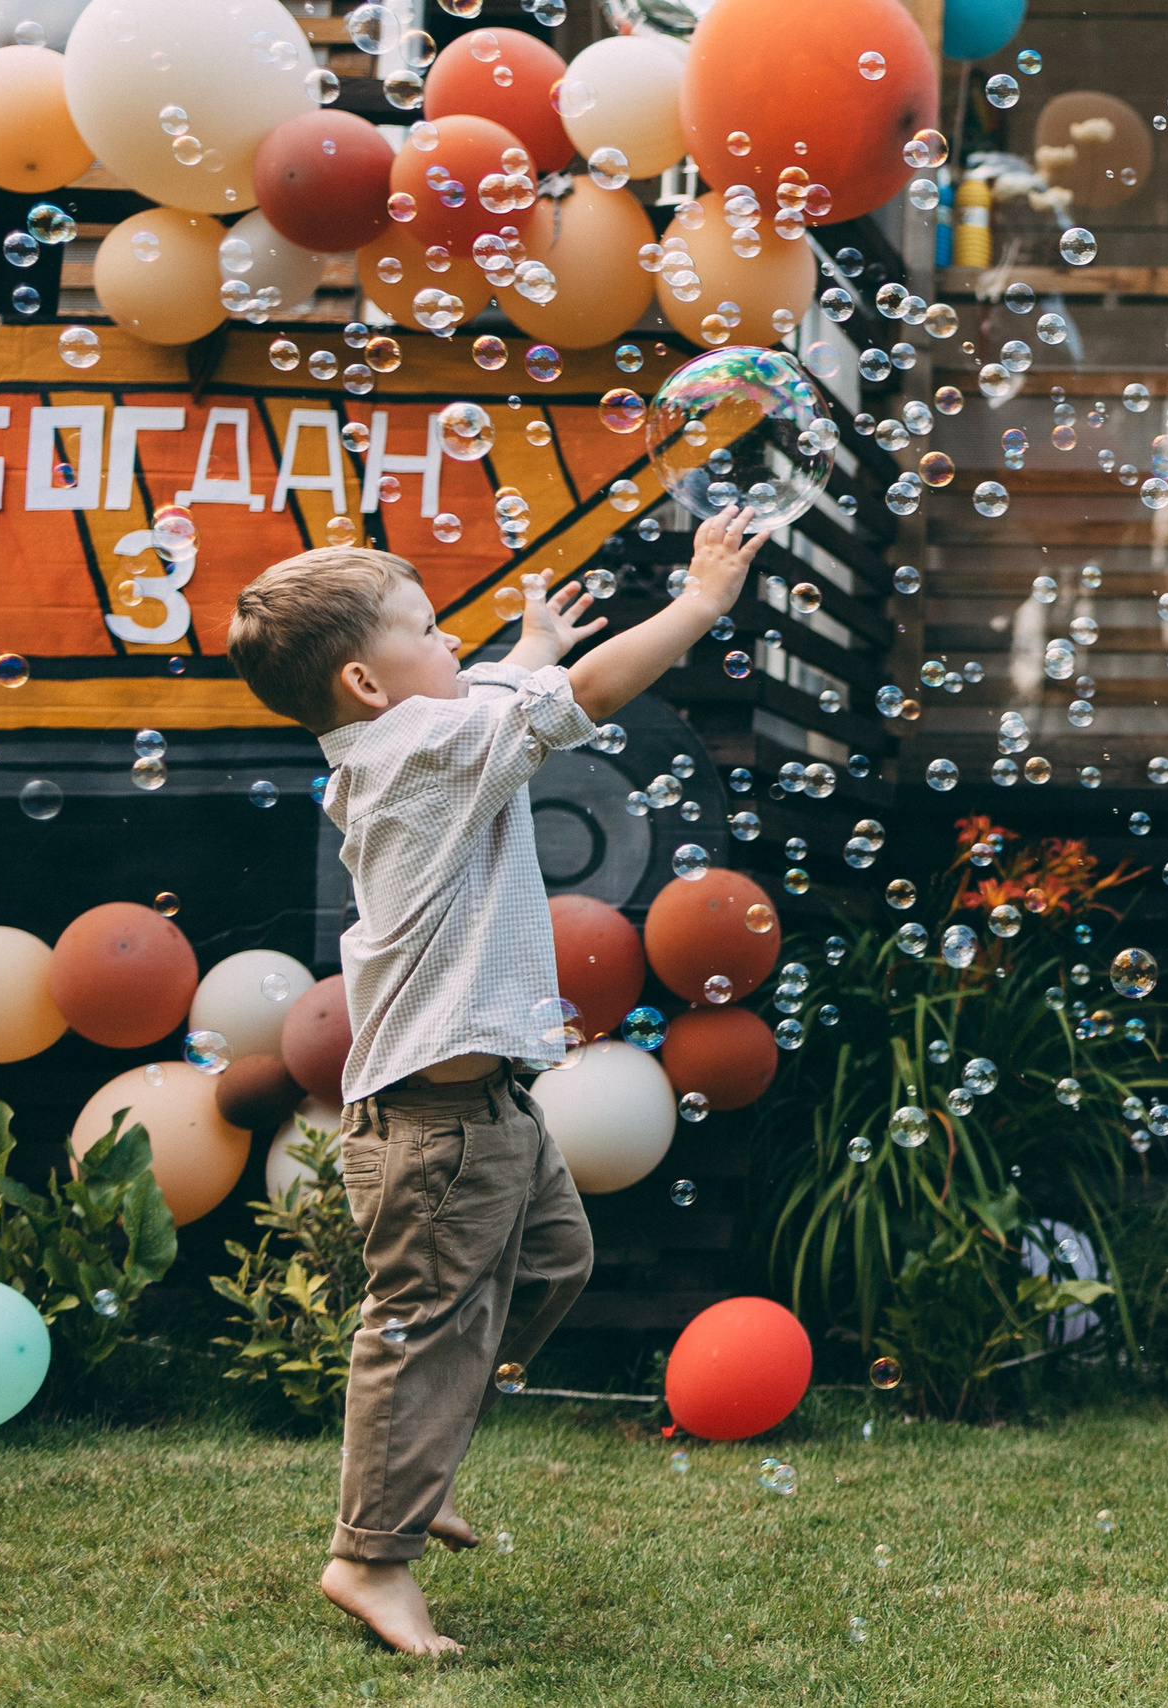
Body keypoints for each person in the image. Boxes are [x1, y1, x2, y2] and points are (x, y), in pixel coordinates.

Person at [225, 510, 765, 1655]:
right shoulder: (417, 752)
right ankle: (370, 1555)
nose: (453, 643)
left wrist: (522, 649)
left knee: (554, 1262)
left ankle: (421, 1467)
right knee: (420, 1329)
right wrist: (700, 603)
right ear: (369, 681)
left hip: (488, 1109)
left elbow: (490, 697)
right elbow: (587, 698)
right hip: (433, 1129)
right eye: (430, 628)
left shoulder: (406, 738)